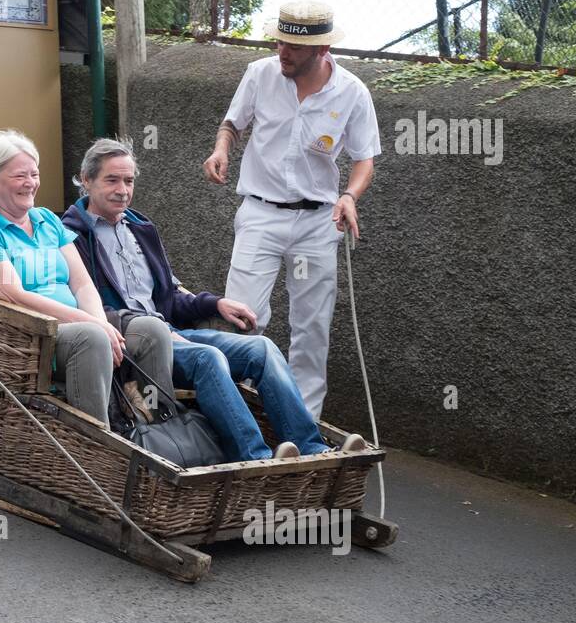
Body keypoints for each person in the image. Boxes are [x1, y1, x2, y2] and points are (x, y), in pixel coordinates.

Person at [64, 138, 366, 461]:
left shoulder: (140, 228)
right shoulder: (70, 235)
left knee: (262, 350)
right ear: (86, 179)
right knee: (208, 359)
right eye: (112, 180)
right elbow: (84, 305)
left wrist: (215, 304)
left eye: (129, 180)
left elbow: (171, 297)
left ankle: (312, 448)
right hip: (137, 349)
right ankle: (257, 457)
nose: (123, 189)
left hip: (175, 333)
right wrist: (154, 329)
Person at [203, 1, 380, 419]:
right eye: (280, 42)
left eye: (293, 48)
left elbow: (365, 159)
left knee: (311, 328)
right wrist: (221, 149)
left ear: (321, 51)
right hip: (260, 214)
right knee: (244, 317)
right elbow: (233, 123)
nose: (282, 53)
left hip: (317, 222)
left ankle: (303, 425)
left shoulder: (352, 91)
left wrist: (349, 196)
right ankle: (237, 415)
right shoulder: (260, 75)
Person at [0, 130, 173, 428]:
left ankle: (161, 430)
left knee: (151, 330)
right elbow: (14, 295)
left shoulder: (47, 220)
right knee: (92, 337)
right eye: (20, 176)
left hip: (79, 325)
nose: (30, 183)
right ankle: (100, 443)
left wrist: (102, 322)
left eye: (34, 173)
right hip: (29, 337)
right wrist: (92, 324)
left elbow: (82, 284)